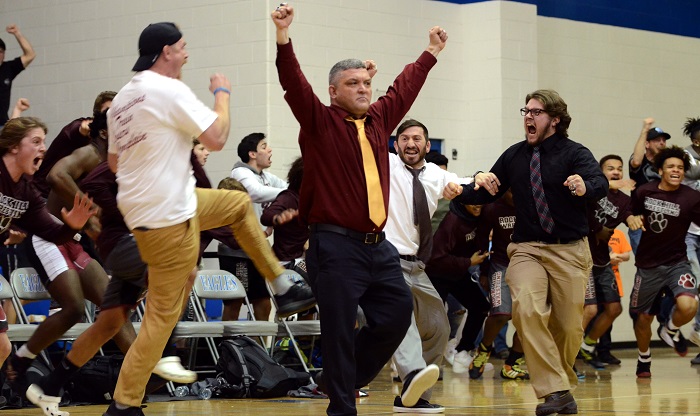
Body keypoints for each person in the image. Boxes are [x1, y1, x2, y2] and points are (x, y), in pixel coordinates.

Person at [103, 22, 314, 416]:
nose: (186, 54)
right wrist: (222, 93)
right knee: (162, 317)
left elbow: (115, 162)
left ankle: (281, 284)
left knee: (234, 205)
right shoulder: (167, 88)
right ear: (166, 51)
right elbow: (216, 136)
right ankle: (124, 403)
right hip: (168, 213)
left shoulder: (123, 100)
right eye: (182, 48)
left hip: (148, 209)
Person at [272, 3, 448, 414]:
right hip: (334, 246)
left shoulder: (379, 121)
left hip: (377, 246)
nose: (363, 89)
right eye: (353, 84)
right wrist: (283, 36)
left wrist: (431, 51)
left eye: (366, 83)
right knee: (338, 329)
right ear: (334, 91)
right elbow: (294, 83)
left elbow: (404, 88)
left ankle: (344, 381)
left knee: (396, 314)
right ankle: (341, 405)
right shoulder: (319, 121)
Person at [454, 89, 607, 415]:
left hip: (570, 251)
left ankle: (561, 389)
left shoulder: (573, 153)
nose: (528, 116)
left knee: (568, 328)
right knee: (526, 308)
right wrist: (465, 185)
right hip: (527, 249)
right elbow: (486, 192)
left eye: (536, 112)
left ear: (554, 119)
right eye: (526, 110)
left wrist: (585, 186)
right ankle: (553, 389)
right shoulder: (514, 156)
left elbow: (599, 182)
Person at [26, 159, 198, 416]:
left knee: (109, 324)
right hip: (108, 242)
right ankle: (164, 357)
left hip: (119, 243)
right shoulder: (110, 155)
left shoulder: (163, 168)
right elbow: (59, 176)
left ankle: (58, 384)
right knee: (182, 270)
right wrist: (94, 220)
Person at [0, 117, 96, 404]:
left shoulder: (26, 191)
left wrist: (73, 226)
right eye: (36, 141)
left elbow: (53, 233)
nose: (43, 148)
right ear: (15, 147)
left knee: (3, 345)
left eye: (44, 141)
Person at [383, 119, 463, 413]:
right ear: (396, 144)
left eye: (416, 138)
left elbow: (461, 182)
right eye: (404, 138)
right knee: (401, 315)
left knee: (438, 327)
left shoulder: (435, 174)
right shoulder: (387, 165)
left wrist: (472, 181)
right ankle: (413, 373)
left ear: (427, 146)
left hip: (417, 264)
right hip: (387, 260)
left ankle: (415, 397)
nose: (410, 143)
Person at [628, 145, 700, 378]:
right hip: (648, 266)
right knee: (643, 318)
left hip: (677, 263)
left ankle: (669, 329)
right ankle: (644, 357)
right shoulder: (644, 192)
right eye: (671, 166)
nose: (676, 170)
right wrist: (633, 218)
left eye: (680, 167)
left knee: (690, 305)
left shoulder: (692, 198)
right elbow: (631, 211)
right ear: (660, 170)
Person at [578, 155, 635, 369]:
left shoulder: (623, 200)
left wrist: (632, 220)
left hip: (603, 261)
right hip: (583, 258)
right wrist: (596, 229)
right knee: (590, 310)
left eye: (620, 169)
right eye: (610, 168)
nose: (616, 172)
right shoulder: (591, 190)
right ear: (600, 172)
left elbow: (629, 215)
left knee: (614, 308)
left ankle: (587, 345)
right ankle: (569, 353)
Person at [225, 132, 288, 320]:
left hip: (257, 247)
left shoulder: (266, 177)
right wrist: (288, 194)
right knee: (235, 301)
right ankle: (227, 347)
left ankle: (257, 349)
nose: (269, 150)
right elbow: (256, 193)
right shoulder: (240, 173)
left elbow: (289, 188)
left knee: (263, 302)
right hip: (237, 250)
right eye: (264, 146)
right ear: (252, 154)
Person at [426, 201, 490, 377]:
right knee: (434, 319)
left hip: (457, 273)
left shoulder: (479, 217)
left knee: (480, 306)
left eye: (480, 202)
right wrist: (468, 262)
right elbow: (435, 259)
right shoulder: (451, 221)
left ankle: (462, 351)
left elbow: (481, 245)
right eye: (473, 203)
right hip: (436, 274)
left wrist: (484, 272)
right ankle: (426, 363)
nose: (478, 206)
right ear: (463, 202)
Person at [474, 189, 530, 380]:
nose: (516, 193)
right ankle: (484, 349)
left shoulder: (531, 205)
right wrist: (483, 271)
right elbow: (482, 238)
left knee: (529, 317)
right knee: (501, 314)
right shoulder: (492, 209)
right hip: (500, 264)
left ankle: (512, 363)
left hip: (529, 266)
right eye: (512, 190)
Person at [595, 227, 632, 365]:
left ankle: (604, 351)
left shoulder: (619, 234)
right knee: (593, 316)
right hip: (596, 278)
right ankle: (588, 350)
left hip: (613, 281)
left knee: (609, 318)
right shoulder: (596, 231)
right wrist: (607, 257)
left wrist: (617, 257)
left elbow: (627, 255)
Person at [680, 117, 700, 364]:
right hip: (687, 231)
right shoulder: (685, 156)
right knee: (695, 276)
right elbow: (693, 172)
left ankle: (698, 331)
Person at [0, 24, 35, 126]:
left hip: (2, 125)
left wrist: (17, 33)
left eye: (1, 52)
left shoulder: (8, 68)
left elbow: (30, 55)